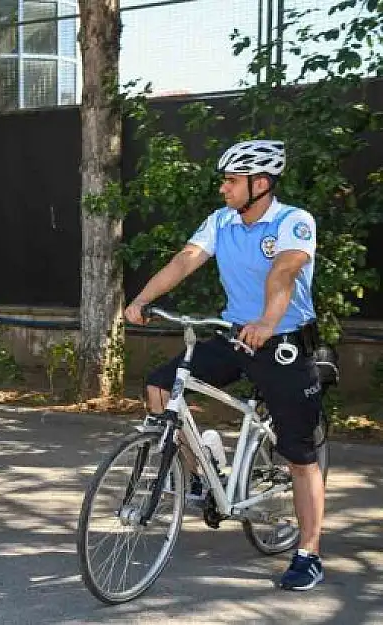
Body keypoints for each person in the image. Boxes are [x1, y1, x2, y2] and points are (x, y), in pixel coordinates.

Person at [124, 139, 326, 591]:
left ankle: (308, 552)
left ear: (261, 184)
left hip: (284, 345)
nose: (223, 189)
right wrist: (142, 298)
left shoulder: (294, 221)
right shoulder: (223, 222)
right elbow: (185, 260)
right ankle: (199, 476)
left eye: (231, 181)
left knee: (300, 457)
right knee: (161, 387)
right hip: (237, 337)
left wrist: (269, 321)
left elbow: (286, 271)